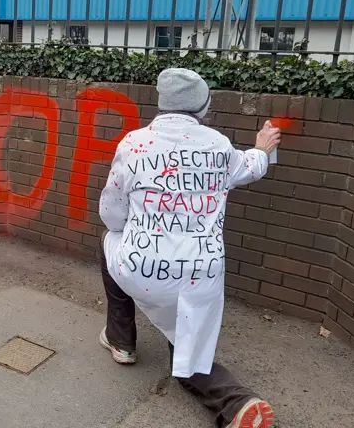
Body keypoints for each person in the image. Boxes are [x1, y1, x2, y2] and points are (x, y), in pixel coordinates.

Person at [97, 68, 281, 428]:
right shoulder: (218, 145)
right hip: (201, 273)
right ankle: (235, 401)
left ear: (163, 105)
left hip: (144, 266)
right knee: (186, 335)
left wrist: (127, 232)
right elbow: (250, 167)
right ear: (203, 107)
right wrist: (263, 146)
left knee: (107, 244)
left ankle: (121, 341)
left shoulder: (134, 144)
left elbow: (111, 211)